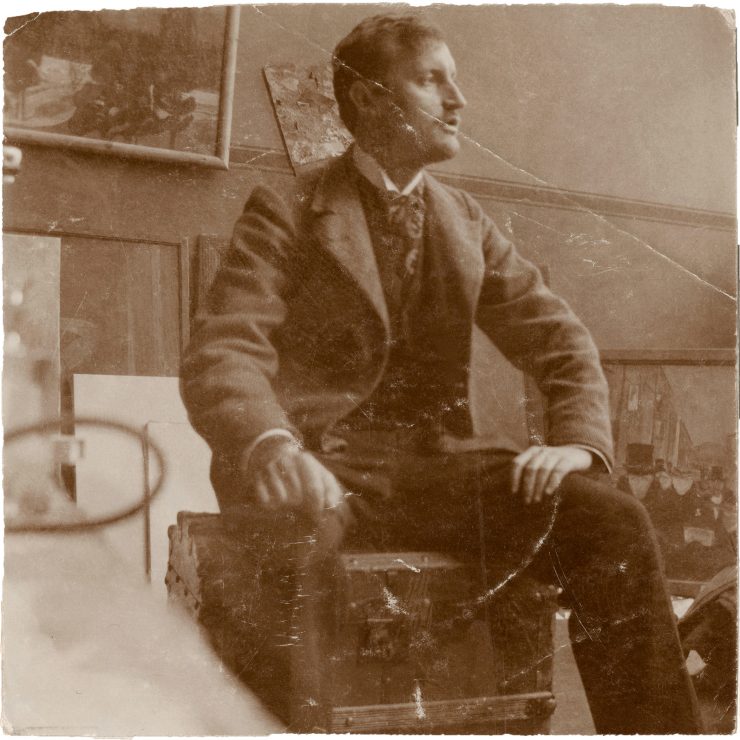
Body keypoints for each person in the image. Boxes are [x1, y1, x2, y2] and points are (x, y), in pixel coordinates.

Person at [181, 14, 702, 733]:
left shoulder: (464, 219)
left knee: (609, 519)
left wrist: (578, 444)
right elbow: (225, 348)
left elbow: (562, 340)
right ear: (368, 98)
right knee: (292, 556)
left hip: (437, 472)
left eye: (453, 81)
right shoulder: (289, 209)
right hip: (321, 466)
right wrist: (271, 444)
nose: (458, 100)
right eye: (432, 80)